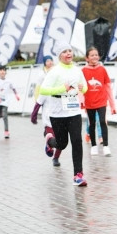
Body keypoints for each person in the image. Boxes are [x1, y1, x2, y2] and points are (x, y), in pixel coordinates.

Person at [38, 45, 88, 186]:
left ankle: (78, 175)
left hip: (74, 111)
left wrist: (82, 88)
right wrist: (61, 89)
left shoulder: (77, 70)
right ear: (60, 55)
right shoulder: (54, 72)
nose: (68, 53)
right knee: (62, 144)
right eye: (65, 51)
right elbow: (43, 89)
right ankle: (50, 141)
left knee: (77, 141)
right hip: (58, 113)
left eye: (70, 51)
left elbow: (85, 87)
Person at [82, 47, 117, 156]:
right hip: (89, 102)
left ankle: (106, 146)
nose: (95, 57)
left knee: (102, 122)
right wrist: (81, 101)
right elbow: (80, 87)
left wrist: (112, 105)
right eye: (92, 55)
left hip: (101, 101)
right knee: (91, 123)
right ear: (87, 58)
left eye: (96, 55)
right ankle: (93, 146)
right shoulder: (83, 71)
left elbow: (107, 87)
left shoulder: (102, 69)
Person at [0, 65, 21, 139]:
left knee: (5, 116)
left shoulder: (9, 81)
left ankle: (6, 131)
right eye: (1, 70)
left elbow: (13, 88)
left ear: (6, 72)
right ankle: (1, 114)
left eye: (4, 70)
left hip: (5, 101)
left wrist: (16, 95)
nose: (2, 72)